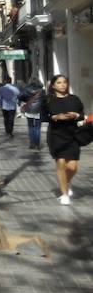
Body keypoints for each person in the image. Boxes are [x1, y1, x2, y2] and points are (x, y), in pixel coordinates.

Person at [42, 74, 84, 205]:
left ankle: (65, 183)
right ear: (53, 86)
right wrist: (55, 117)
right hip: (56, 135)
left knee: (73, 167)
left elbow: (82, 115)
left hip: (72, 136)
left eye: (64, 82)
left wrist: (76, 115)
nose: (62, 85)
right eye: (59, 83)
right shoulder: (48, 100)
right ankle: (64, 194)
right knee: (61, 162)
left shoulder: (74, 99)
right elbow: (43, 116)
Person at [19, 79, 45, 150]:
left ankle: (32, 144)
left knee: (31, 127)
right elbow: (44, 101)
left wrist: (26, 100)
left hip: (29, 110)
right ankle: (37, 144)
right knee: (37, 128)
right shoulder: (42, 91)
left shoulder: (27, 89)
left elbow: (20, 97)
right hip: (38, 111)